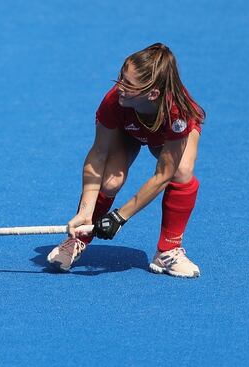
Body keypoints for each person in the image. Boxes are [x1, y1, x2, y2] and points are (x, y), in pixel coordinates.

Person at [47, 43, 205, 278]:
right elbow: (98, 154)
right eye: (121, 77)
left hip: (166, 135)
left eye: (128, 85)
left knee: (182, 171)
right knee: (110, 182)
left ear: (152, 94)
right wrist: (85, 211)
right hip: (128, 129)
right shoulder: (114, 101)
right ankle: (77, 239)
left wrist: (119, 217)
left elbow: (163, 175)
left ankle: (168, 250)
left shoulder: (177, 113)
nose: (119, 87)